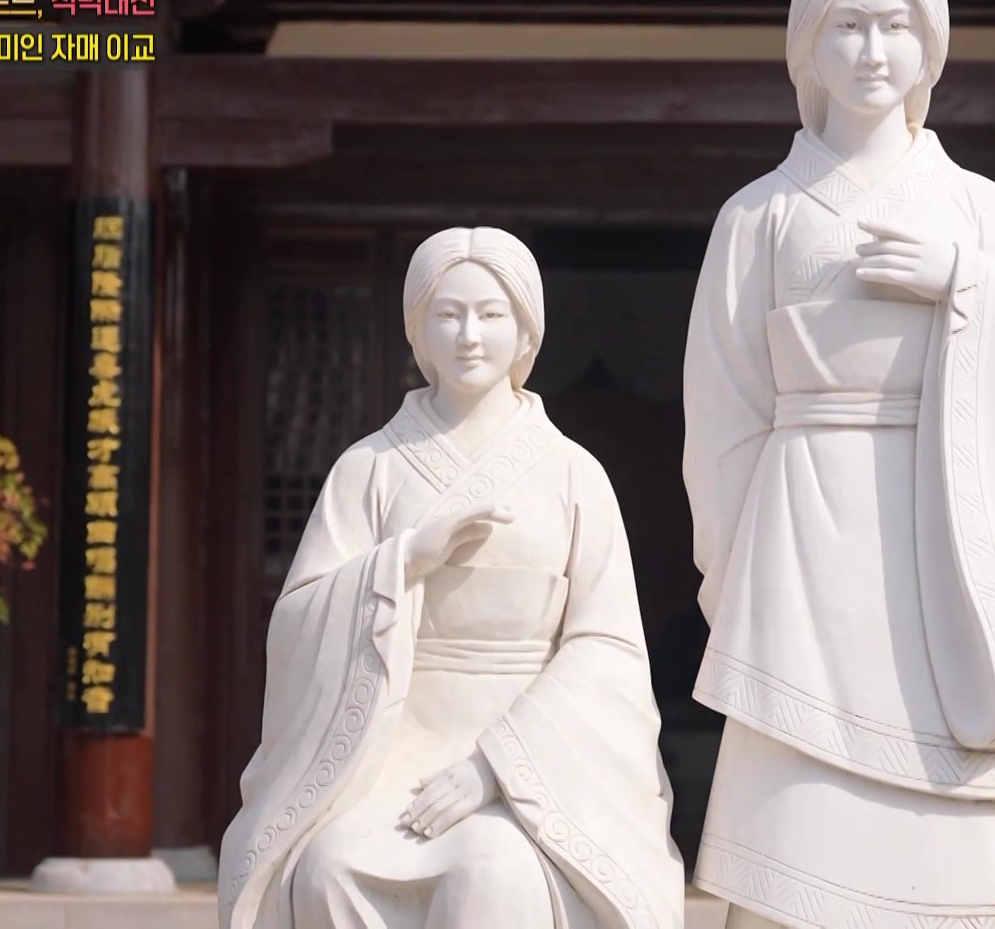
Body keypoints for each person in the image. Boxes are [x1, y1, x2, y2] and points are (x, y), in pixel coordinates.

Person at [681, 0, 995, 929]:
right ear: (808, 46)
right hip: (802, 534)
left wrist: (965, 283)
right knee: (800, 804)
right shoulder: (758, 218)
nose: (873, 51)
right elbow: (724, 413)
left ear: (930, 47)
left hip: (945, 527)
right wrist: (734, 572)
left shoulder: (982, 212)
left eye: (896, 27)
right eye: (849, 26)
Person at [219, 226, 686, 929]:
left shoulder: (573, 473)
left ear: (525, 333)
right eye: (448, 314)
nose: (469, 336)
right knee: (327, 865)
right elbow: (298, 623)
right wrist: (403, 560)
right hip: (387, 759)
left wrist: (495, 767)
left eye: (491, 314)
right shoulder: (368, 469)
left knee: (492, 872)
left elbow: (606, 649)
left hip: (527, 770)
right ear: (418, 330)